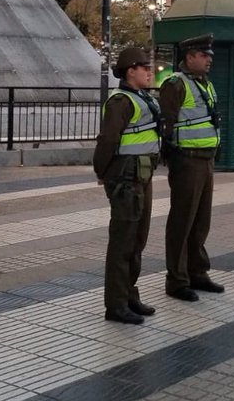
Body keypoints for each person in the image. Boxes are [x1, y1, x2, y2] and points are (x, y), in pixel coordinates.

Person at [93, 46, 161, 324]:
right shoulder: (121, 101)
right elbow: (107, 141)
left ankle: (130, 294)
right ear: (130, 71)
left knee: (137, 240)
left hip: (141, 177)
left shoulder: (142, 97)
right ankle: (116, 304)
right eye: (144, 67)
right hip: (125, 178)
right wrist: (102, 172)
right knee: (123, 242)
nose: (149, 71)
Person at [159, 34, 224, 301]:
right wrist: (172, 156)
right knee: (182, 220)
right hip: (186, 160)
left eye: (209, 55)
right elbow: (166, 125)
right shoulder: (175, 84)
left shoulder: (205, 85)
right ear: (190, 57)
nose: (209, 59)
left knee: (201, 221)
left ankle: (198, 272)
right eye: (204, 55)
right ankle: (176, 280)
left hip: (205, 160)